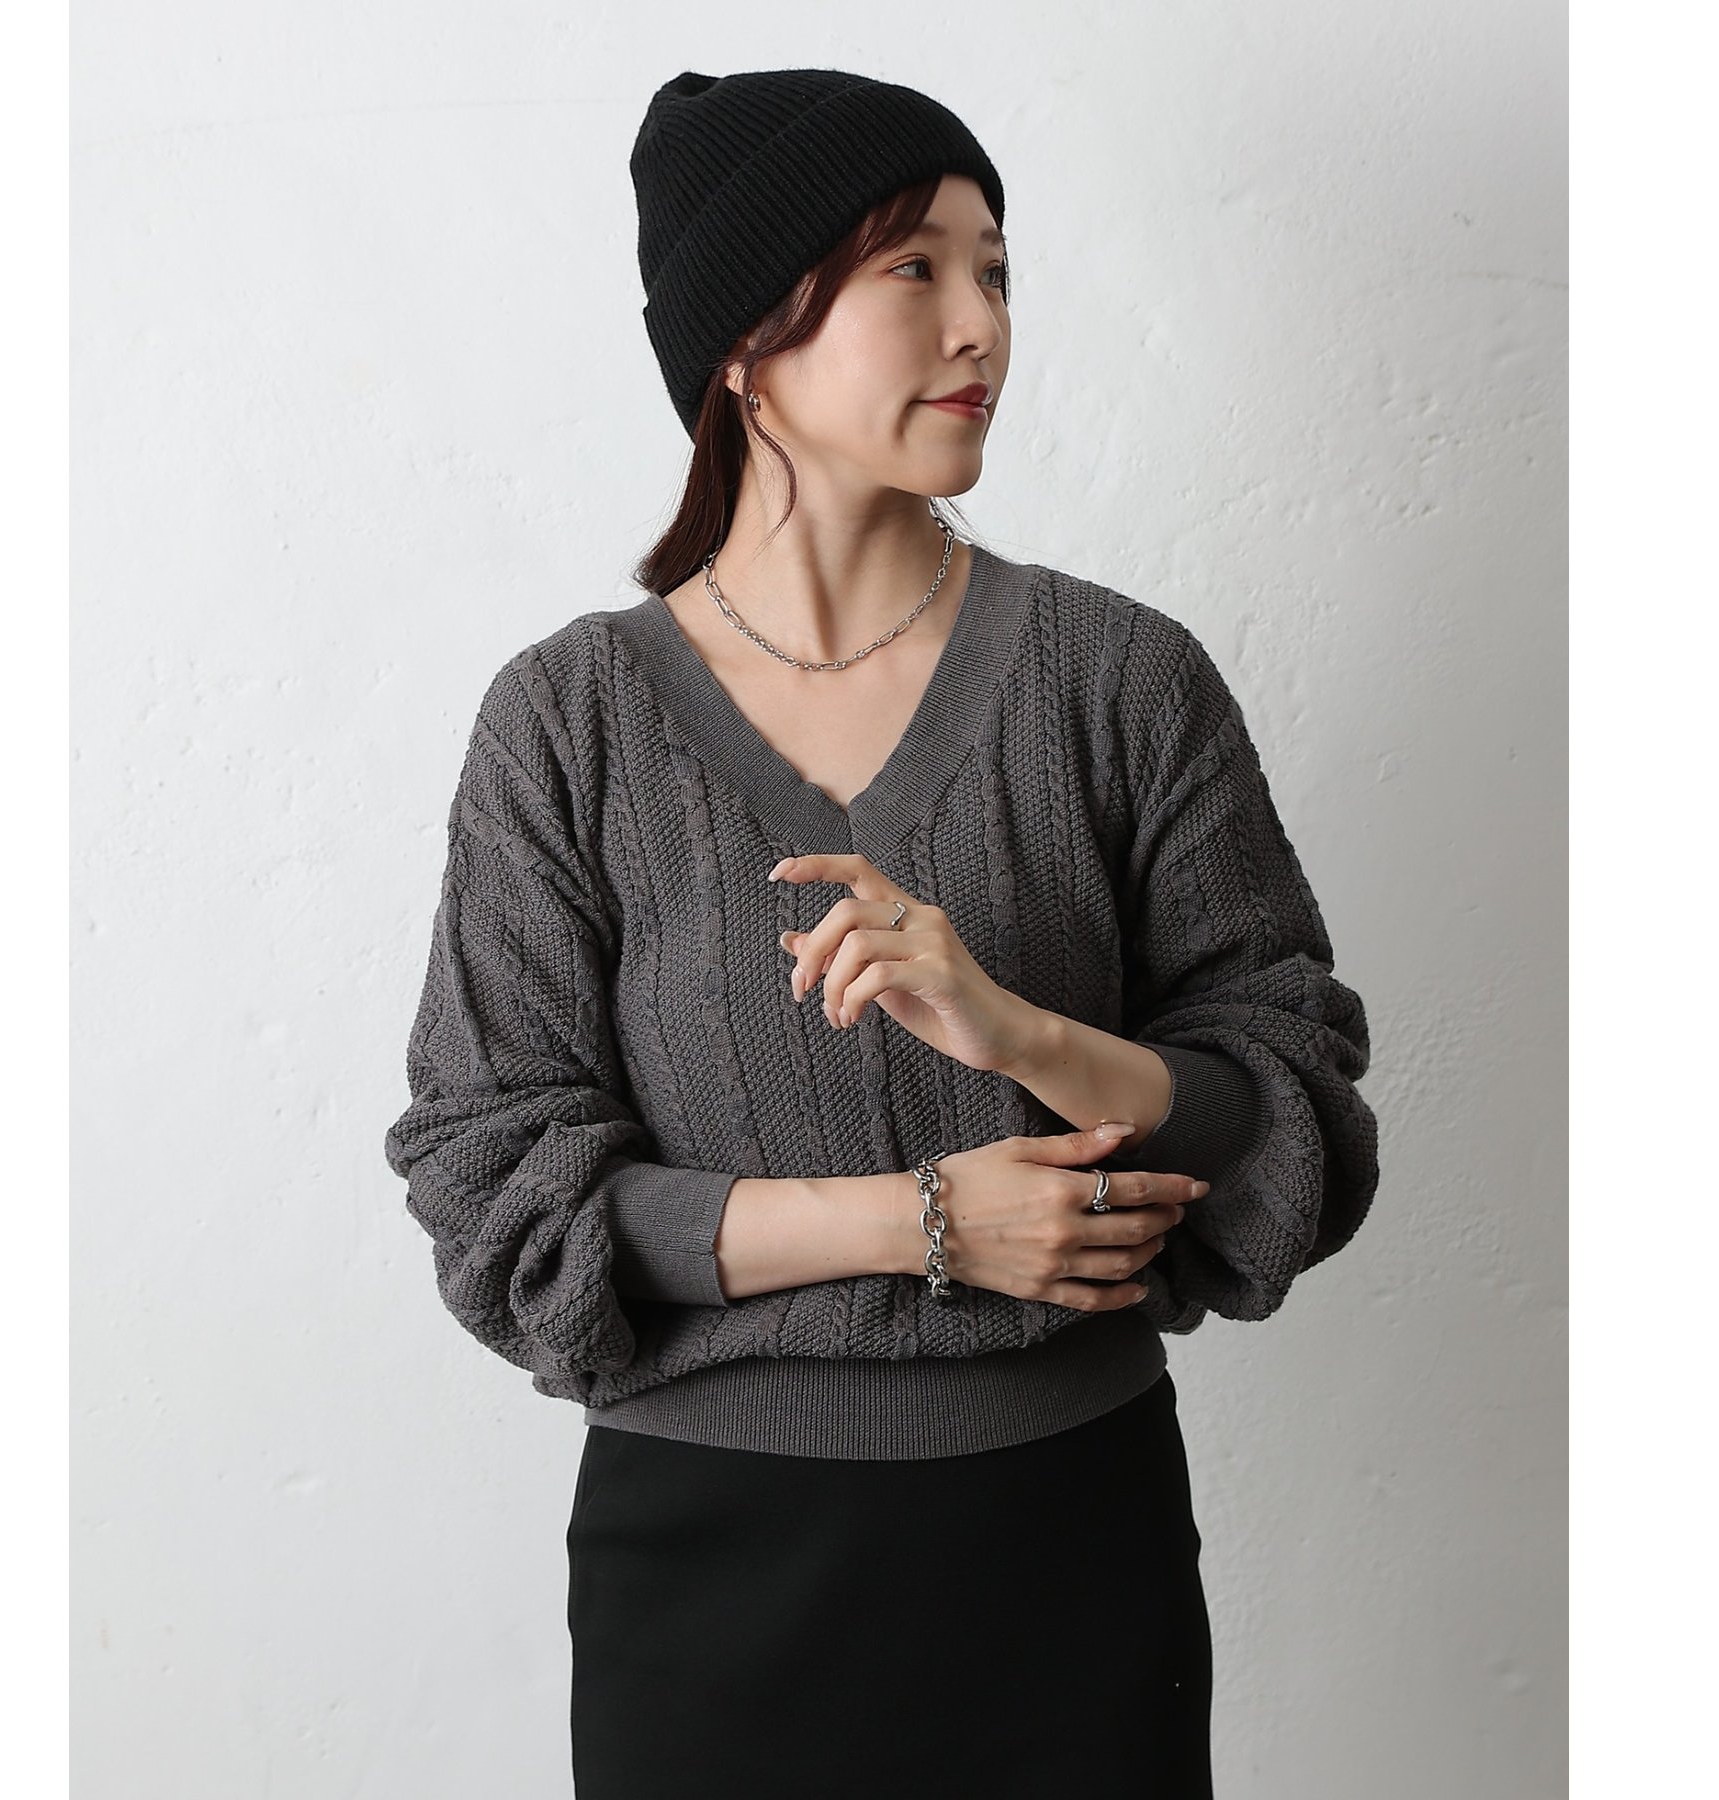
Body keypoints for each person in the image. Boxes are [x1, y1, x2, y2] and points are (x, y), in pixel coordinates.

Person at [384, 66, 1380, 1800]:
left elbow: (1296, 1117)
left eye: (996, 270)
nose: (980, 322)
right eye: (913, 268)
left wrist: (1024, 1035)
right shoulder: (569, 724)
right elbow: (496, 1193)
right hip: (709, 1585)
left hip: (1072, 1561)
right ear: (745, 342)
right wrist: (926, 1222)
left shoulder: (1120, 681)